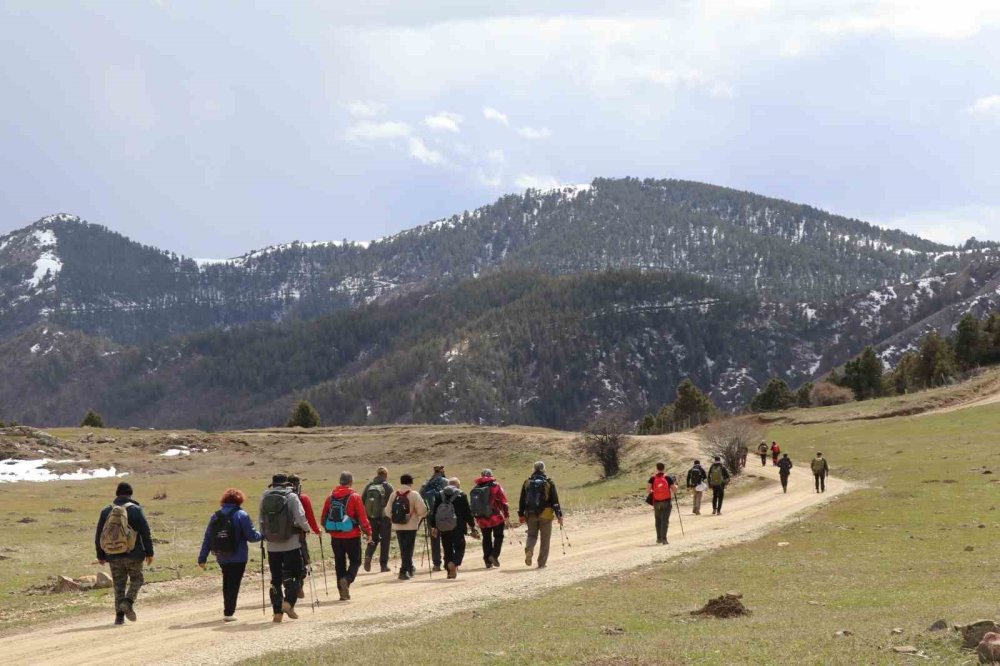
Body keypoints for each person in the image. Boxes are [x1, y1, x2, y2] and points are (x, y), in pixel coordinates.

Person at [197, 488, 263, 621]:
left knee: (227, 581)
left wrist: (202, 557)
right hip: (238, 556)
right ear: (239, 500)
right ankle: (228, 612)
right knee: (233, 583)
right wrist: (264, 534)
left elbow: (208, 538)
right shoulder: (242, 515)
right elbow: (252, 537)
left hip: (221, 555)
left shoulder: (215, 516)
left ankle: (228, 610)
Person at [95, 481, 154, 625]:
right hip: (134, 554)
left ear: (117, 494)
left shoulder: (106, 511)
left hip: (113, 555)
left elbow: (99, 535)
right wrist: (149, 552)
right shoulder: (136, 509)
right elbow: (145, 532)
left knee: (119, 585)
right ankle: (128, 602)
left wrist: (100, 555)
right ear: (130, 494)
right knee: (137, 580)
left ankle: (119, 617)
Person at [259, 474, 312, 623]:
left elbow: (261, 519)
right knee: (295, 575)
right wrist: (307, 529)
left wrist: (266, 536)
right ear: (286, 483)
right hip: (291, 543)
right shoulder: (292, 496)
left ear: (273, 484)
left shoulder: (264, 496)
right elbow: (301, 518)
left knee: (275, 579)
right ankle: (288, 603)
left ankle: (277, 613)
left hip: (272, 546)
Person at [320, 471, 372, 600]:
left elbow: (323, 519)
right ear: (351, 482)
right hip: (352, 535)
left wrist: (330, 530)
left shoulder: (330, 497)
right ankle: (347, 580)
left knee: (339, 563)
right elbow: (362, 518)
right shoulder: (355, 497)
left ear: (340, 481)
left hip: (336, 537)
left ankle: (341, 593)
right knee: (356, 561)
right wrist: (368, 532)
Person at [429, 477, 479, 579]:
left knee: (447, 549)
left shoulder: (439, 495)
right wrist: (472, 526)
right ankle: (454, 563)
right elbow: (467, 512)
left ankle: (449, 572)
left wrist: (434, 526)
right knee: (460, 547)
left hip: (443, 527)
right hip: (458, 527)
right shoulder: (461, 495)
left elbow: (434, 512)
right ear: (458, 485)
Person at [517, 461, 563, 569]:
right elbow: (555, 500)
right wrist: (559, 515)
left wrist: (521, 514)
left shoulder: (527, 482)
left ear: (533, 469)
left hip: (530, 513)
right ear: (544, 469)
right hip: (546, 514)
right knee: (545, 539)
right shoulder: (549, 482)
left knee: (532, 535)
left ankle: (529, 549)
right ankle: (541, 563)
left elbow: (522, 500)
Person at [385, 473, 428, 580]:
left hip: (397, 526)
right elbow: (422, 510)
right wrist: (420, 516)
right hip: (411, 526)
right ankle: (403, 571)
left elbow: (387, 511)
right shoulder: (414, 494)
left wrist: (394, 518)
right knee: (408, 549)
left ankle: (409, 568)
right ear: (411, 482)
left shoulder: (394, 494)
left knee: (404, 548)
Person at [288, 474, 322, 600]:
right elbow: (310, 517)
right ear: (298, 485)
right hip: (299, 536)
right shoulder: (303, 498)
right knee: (303, 561)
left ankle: (291, 586)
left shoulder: (280, 498)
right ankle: (298, 585)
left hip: (281, 537)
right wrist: (316, 530)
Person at [472, 469, 509, 568]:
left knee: (486, 539)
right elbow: (503, 501)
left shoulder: (476, 487)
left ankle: (487, 561)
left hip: (482, 519)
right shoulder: (496, 486)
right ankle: (494, 555)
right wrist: (506, 514)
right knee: (499, 536)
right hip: (495, 517)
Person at [361, 466, 394, 573]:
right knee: (385, 541)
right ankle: (383, 565)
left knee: (373, 539)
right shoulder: (388, 486)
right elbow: (393, 501)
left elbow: (362, 500)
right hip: (385, 518)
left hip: (371, 518)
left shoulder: (369, 486)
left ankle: (368, 556)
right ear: (385, 475)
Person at [419, 465, 448, 572]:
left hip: (431, 516)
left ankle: (436, 564)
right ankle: (447, 561)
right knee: (446, 537)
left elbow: (420, 497)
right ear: (442, 471)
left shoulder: (426, 483)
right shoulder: (445, 481)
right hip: (444, 515)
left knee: (434, 539)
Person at [647, 462, 677, 544]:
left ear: (656, 468)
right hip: (666, 501)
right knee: (665, 520)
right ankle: (664, 539)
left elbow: (647, 490)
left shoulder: (652, 478)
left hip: (656, 502)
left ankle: (658, 538)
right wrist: (676, 485)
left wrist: (654, 491)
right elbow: (674, 490)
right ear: (664, 468)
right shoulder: (668, 477)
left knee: (658, 520)